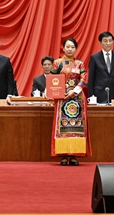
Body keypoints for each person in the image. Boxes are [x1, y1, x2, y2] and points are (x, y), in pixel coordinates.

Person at [49, 38, 90, 166]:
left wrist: (75, 91)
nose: (70, 49)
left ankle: (74, 155)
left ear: (76, 49)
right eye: (68, 46)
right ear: (63, 48)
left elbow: (84, 79)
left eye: (72, 47)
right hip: (62, 98)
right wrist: (59, 90)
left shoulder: (79, 64)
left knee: (76, 127)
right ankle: (63, 155)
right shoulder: (57, 63)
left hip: (77, 98)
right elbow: (51, 78)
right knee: (62, 127)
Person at [88, 31, 114, 103]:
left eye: (110, 40)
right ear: (100, 43)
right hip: (99, 94)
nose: (108, 43)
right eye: (105, 41)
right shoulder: (94, 57)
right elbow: (91, 79)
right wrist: (91, 96)